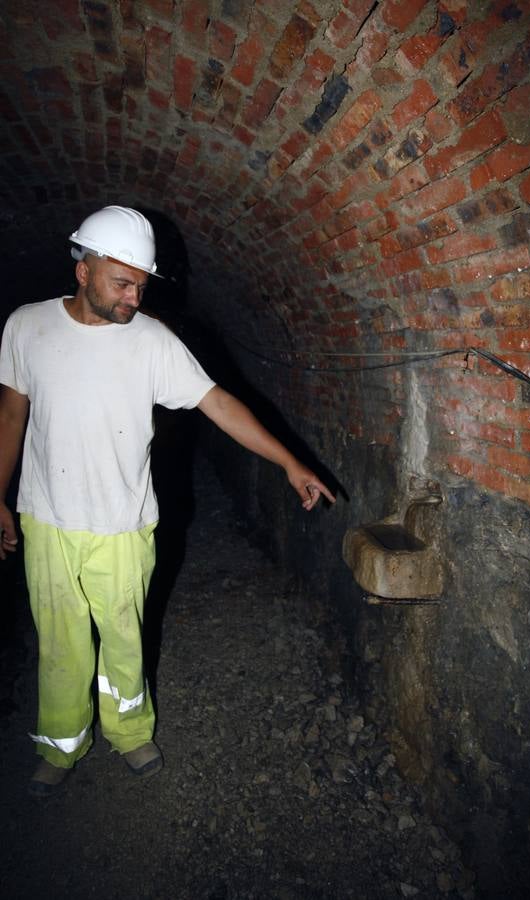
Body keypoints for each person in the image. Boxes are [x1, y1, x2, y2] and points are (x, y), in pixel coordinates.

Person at [0, 205, 335, 797]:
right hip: (47, 519)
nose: (133, 297)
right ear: (83, 270)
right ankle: (61, 742)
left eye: (141, 285)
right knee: (59, 642)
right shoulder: (26, 326)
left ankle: (129, 731)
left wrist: (289, 461)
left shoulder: (152, 340)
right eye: (122, 282)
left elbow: (217, 403)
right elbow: (11, 414)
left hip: (123, 523)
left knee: (124, 637)